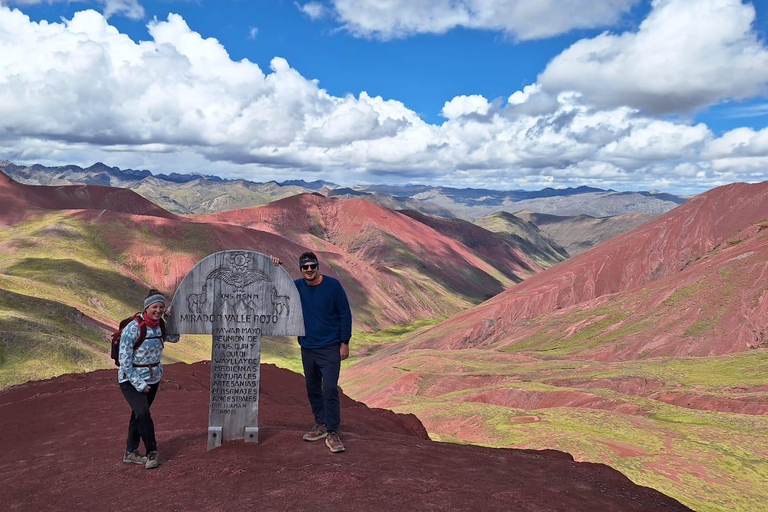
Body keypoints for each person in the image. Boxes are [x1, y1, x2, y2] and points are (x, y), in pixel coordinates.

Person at [272, 251, 352, 453]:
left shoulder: (333, 286)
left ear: (317, 267)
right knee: (312, 388)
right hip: (308, 347)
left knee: (330, 389)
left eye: (312, 266)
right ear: (301, 269)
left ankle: (332, 431)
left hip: (330, 347)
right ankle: (321, 424)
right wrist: (275, 267)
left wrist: (345, 342)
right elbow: (276, 290)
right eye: (305, 267)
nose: (309, 270)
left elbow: (345, 314)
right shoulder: (297, 287)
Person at [118, 289, 178, 469]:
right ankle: (152, 452)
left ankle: (130, 452)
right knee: (143, 413)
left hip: (153, 378)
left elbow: (175, 338)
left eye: (161, 307)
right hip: (130, 380)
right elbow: (124, 360)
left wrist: (171, 320)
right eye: (154, 307)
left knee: (138, 414)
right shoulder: (133, 327)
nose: (158, 310)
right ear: (146, 308)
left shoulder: (161, 325)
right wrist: (139, 384)